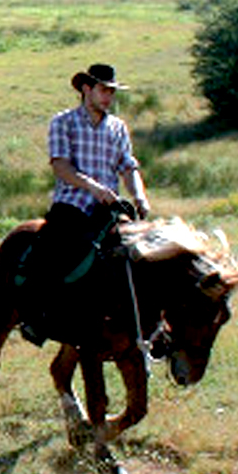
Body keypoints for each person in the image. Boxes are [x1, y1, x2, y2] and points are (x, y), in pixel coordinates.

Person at [18, 62, 152, 345]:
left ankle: (148, 324)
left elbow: (128, 166)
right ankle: (37, 316)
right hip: (73, 203)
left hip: (109, 208)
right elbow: (61, 167)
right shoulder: (63, 122)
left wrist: (139, 196)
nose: (108, 98)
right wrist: (91, 186)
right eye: (104, 90)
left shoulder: (117, 127)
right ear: (86, 89)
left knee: (143, 254)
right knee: (52, 249)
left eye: (112, 92)